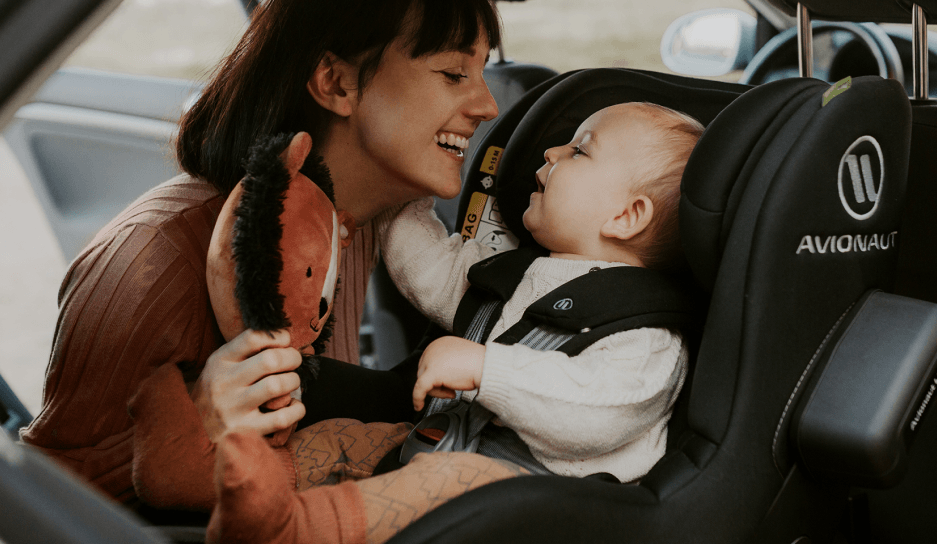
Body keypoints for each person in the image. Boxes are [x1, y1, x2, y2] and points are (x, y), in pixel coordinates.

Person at [20, 0, 501, 506]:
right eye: (453, 73)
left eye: (482, 72)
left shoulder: (354, 219)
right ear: (336, 83)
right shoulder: (157, 252)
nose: (487, 104)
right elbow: (37, 492)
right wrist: (188, 425)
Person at [205, 102, 706, 544]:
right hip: (452, 452)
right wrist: (403, 191)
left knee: (446, 480)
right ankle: (216, 482)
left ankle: (296, 531)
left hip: (544, 504)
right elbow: (427, 265)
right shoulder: (517, 272)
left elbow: (601, 410)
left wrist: (489, 369)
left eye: (579, 152)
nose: (551, 152)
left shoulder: (645, 331)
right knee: (344, 437)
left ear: (626, 216)